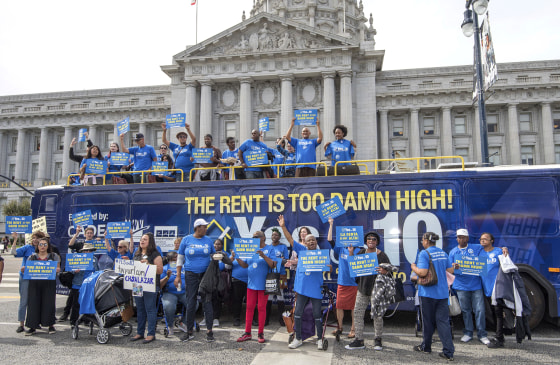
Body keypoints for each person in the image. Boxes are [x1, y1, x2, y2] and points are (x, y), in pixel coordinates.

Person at [410, 232, 455, 361]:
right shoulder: (442, 252)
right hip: (442, 293)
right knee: (443, 322)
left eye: (422, 240)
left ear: (426, 241)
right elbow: (450, 270)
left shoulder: (424, 253)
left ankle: (426, 347)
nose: (421, 242)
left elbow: (422, 272)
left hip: (428, 293)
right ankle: (448, 351)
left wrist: (414, 267)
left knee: (428, 322)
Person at [345, 230, 391, 350]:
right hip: (362, 288)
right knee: (357, 313)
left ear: (377, 242)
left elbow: (391, 269)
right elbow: (353, 265)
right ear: (366, 241)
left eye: (374, 239)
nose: (371, 241)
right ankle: (359, 340)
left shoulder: (382, 255)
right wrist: (351, 253)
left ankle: (378, 340)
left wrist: (385, 271)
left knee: (378, 315)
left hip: (377, 290)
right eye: (369, 239)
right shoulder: (361, 252)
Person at [174, 219, 217, 342]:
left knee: (207, 301)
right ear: (198, 228)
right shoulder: (186, 240)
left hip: (205, 275)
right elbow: (180, 258)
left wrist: (218, 256)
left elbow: (213, 256)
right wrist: (178, 276)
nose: (206, 229)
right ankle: (189, 331)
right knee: (191, 302)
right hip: (190, 274)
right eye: (204, 227)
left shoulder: (208, 240)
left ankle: (209, 332)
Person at [286, 233, 329, 350]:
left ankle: (320, 339)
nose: (311, 242)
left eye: (313, 240)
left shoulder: (321, 254)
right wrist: (283, 226)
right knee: (298, 313)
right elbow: (290, 239)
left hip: (315, 288)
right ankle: (298, 339)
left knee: (316, 314)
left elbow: (327, 267)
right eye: (309, 240)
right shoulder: (302, 250)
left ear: (316, 242)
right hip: (302, 288)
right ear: (305, 242)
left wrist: (327, 266)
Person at [449, 228, 490, 345]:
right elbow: (449, 270)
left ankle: (482, 334)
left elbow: (489, 248)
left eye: (463, 237)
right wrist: (453, 267)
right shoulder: (453, 252)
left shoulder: (475, 247)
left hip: (476, 285)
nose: (460, 239)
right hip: (461, 286)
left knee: (480, 310)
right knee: (466, 310)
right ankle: (468, 333)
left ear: (467, 238)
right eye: (458, 237)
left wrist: (502, 249)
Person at [234, 236, 278, 344]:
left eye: (256, 236)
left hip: (263, 284)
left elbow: (274, 264)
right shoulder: (251, 249)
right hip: (251, 285)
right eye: (253, 236)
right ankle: (247, 333)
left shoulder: (270, 249)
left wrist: (263, 255)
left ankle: (260, 333)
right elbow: (245, 265)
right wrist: (237, 258)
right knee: (249, 308)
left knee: (262, 308)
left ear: (263, 238)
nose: (253, 238)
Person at [477, 232, 510, 348]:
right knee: (493, 313)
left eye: (485, 239)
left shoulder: (498, 252)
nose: (482, 241)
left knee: (498, 314)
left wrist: (504, 250)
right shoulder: (480, 252)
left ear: (492, 241)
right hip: (487, 289)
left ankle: (499, 339)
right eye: (481, 239)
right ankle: (499, 335)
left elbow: (507, 266)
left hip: (497, 289)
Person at [327, 218, 358, 339]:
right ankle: (339, 327)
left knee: (353, 308)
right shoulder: (341, 248)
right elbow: (330, 240)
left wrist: (351, 253)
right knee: (339, 306)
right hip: (342, 282)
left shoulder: (360, 250)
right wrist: (331, 224)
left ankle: (353, 329)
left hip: (354, 284)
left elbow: (354, 265)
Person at [130, 232, 163, 344]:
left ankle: (150, 334)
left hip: (151, 285)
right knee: (139, 309)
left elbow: (160, 270)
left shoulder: (155, 254)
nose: (142, 241)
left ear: (150, 242)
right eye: (141, 239)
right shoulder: (137, 253)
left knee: (150, 309)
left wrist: (149, 264)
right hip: (138, 285)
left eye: (145, 239)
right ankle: (139, 332)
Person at [24, 236, 61, 335]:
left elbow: (58, 268)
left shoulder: (54, 256)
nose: (43, 246)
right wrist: (24, 269)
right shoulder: (32, 257)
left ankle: (50, 325)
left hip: (48, 283)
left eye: (45, 244)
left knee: (49, 303)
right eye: (41, 244)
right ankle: (32, 326)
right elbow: (27, 270)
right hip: (34, 284)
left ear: (48, 246)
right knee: (33, 304)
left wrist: (57, 269)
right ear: (38, 246)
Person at [11, 231, 44, 333]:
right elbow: (14, 253)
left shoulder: (43, 249)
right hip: (25, 277)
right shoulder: (27, 248)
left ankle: (33, 323)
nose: (35, 240)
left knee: (34, 302)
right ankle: (21, 324)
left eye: (37, 238)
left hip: (37, 278)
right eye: (33, 238)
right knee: (24, 301)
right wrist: (15, 239)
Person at [69, 242, 99, 328]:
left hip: (89, 284)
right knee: (76, 304)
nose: (88, 252)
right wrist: (74, 270)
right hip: (77, 283)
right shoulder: (77, 258)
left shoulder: (94, 259)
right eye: (86, 250)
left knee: (88, 303)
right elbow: (70, 269)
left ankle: (87, 320)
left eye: (90, 250)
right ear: (83, 251)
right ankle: (73, 322)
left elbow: (97, 270)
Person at [160, 251, 188, 335]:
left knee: (194, 303)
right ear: (170, 259)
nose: (178, 259)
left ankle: (183, 323)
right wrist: (167, 276)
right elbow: (160, 285)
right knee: (169, 306)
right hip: (170, 292)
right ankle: (170, 325)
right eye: (176, 257)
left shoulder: (184, 267)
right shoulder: (164, 268)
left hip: (183, 292)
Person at [265, 228, 289, 326]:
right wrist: (278, 259)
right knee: (270, 295)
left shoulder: (283, 247)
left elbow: (286, 261)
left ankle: (281, 319)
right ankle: (266, 319)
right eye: (273, 235)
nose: (274, 237)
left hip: (281, 274)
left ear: (279, 237)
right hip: (270, 274)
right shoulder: (268, 247)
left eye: (276, 235)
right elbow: (267, 260)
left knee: (281, 295)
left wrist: (273, 260)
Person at [228, 242, 249, 327]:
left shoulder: (250, 254)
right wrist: (233, 257)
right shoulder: (233, 254)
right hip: (237, 280)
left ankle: (252, 319)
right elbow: (227, 267)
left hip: (250, 280)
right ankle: (236, 318)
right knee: (237, 301)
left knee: (250, 302)